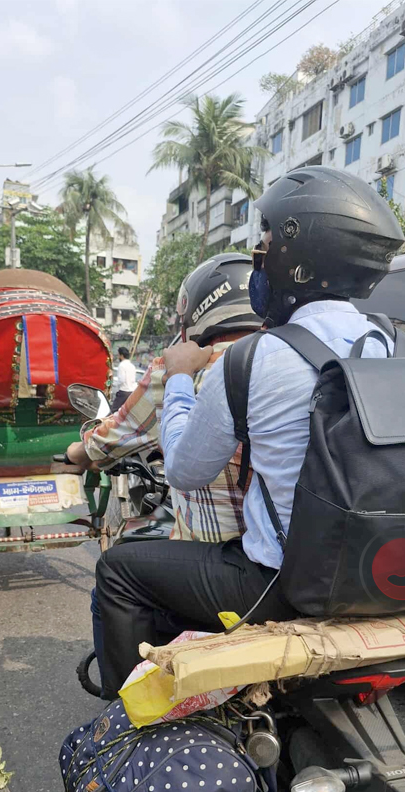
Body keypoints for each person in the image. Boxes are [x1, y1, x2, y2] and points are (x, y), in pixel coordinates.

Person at [93, 166, 405, 695]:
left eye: (266, 240)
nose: (259, 256)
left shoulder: (254, 359)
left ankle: (131, 721)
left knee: (118, 570)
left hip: (282, 587)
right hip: (397, 578)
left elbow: (184, 469)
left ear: (298, 254)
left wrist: (178, 380)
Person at [65, 253, 265, 698]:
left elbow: (114, 438)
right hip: (308, 561)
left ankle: (124, 718)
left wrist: (78, 451)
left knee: (115, 574)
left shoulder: (183, 368)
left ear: (197, 312)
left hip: (233, 565)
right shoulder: (287, 359)